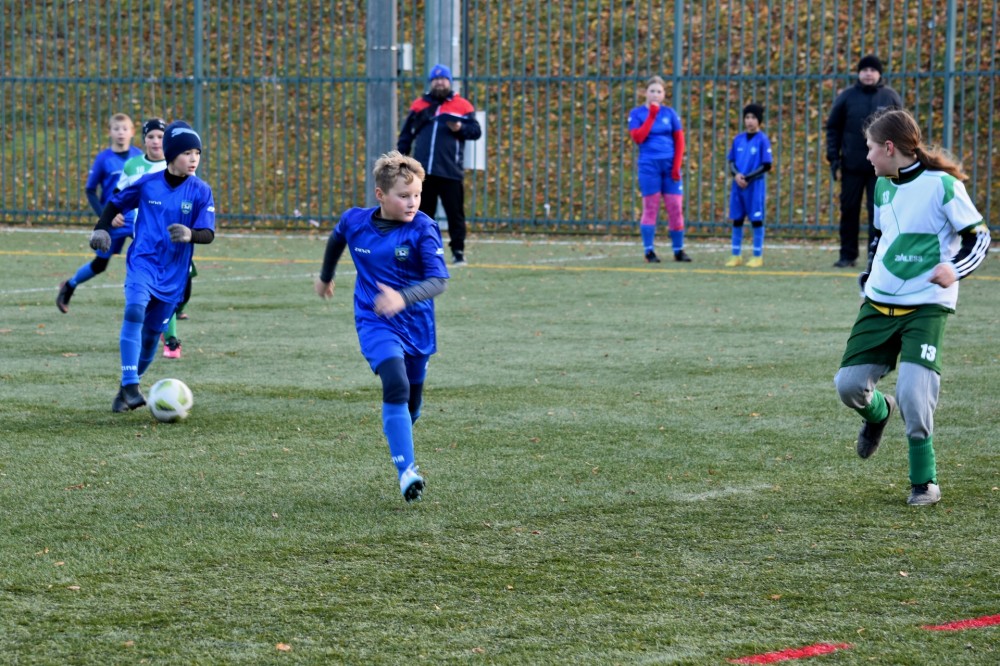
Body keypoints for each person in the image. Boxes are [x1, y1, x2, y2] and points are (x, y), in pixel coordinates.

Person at [834, 108, 989, 506]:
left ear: (889, 147)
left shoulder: (943, 186)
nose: (867, 156)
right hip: (879, 303)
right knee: (848, 386)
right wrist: (869, 275)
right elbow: (880, 238)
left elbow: (980, 238)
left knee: (913, 394)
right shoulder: (882, 186)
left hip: (926, 306)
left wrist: (954, 270)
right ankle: (878, 413)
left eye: (870, 148)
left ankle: (925, 482)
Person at [315, 151, 449, 503]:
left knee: (411, 404)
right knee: (395, 383)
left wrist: (402, 298)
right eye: (404, 196)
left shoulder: (423, 229)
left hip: (416, 326)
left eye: (417, 195)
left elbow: (438, 281)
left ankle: (401, 428)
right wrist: (326, 276)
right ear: (380, 195)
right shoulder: (356, 221)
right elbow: (337, 238)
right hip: (375, 319)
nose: (413, 202)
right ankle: (408, 471)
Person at [88, 121, 216, 412]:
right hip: (143, 262)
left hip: (174, 274)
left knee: (149, 338)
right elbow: (115, 203)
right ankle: (130, 384)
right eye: (187, 153)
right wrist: (101, 228)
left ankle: (125, 390)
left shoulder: (201, 191)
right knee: (134, 310)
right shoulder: (148, 183)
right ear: (172, 155)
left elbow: (208, 233)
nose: (194, 159)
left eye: (197, 153)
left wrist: (190, 234)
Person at [56, 113, 142, 312]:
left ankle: (167, 306)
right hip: (113, 222)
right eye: (116, 129)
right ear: (109, 132)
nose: (121, 133)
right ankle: (69, 286)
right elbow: (90, 190)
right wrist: (107, 216)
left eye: (125, 129)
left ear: (132, 132)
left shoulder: (139, 157)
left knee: (147, 256)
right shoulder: (104, 159)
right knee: (100, 264)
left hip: (135, 219)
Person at [397, 64, 481, 266]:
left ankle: (458, 251)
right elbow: (406, 135)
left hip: (450, 170)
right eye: (435, 79)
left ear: (449, 82)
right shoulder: (420, 105)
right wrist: (400, 161)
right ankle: (420, 251)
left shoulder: (462, 105)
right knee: (422, 214)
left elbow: (475, 131)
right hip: (422, 172)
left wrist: (459, 127)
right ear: (430, 83)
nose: (439, 83)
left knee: (455, 214)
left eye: (443, 79)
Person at [826, 55, 903, 268]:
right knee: (849, 210)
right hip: (851, 166)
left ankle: (876, 255)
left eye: (873, 70)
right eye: (865, 70)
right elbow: (833, 128)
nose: (868, 73)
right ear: (859, 73)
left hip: (882, 169)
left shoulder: (890, 97)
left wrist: (898, 160)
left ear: (879, 74)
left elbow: (901, 130)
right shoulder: (846, 97)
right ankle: (847, 255)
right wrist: (834, 158)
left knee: (879, 212)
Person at [628, 76, 690, 263]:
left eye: (659, 91)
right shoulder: (637, 114)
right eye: (652, 91)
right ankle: (649, 251)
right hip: (649, 167)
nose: (655, 94)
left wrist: (676, 166)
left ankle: (678, 250)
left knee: (675, 207)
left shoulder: (670, 114)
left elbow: (679, 141)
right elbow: (638, 137)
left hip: (669, 166)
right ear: (645, 93)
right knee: (651, 207)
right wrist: (652, 115)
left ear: (664, 94)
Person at [725, 103, 773, 267]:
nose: (750, 121)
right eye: (747, 117)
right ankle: (735, 255)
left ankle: (757, 256)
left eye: (753, 117)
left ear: (759, 120)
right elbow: (731, 161)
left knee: (756, 220)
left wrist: (748, 177)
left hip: (754, 186)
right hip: (738, 186)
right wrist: (737, 175)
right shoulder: (738, 139)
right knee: (737, 219)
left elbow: (766, 165)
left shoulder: (762, 140)